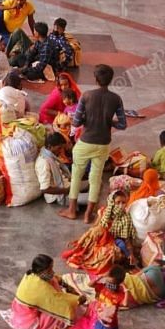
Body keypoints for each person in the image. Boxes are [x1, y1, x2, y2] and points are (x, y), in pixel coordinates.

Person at [59, 64, 127, 223]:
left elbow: (75, 122)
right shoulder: (116, 99)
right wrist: (108, 121)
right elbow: (123, 124)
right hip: (103, 144)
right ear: (110, 80)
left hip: (85, 142)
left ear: (95, 79)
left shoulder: (87, 96)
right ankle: (89, 214)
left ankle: (71, 210)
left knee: (76, 175)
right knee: (96, 178)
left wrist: (86, 119)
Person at [0, 254, 84, 329]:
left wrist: (61, 282)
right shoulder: (41, 287)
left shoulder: (31, 274)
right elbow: (58, 299)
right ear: (41, 271)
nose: (52, 272)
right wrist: (78, 299)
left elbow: (53, 280)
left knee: (55, 283)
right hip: (29, 318)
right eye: (49, 270)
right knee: (66, 312)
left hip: (21, 310)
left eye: (52, 268)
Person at [36, 133, 88, 206]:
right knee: (93, 198)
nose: (61, 151)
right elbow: (45, 189)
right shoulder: (43, 162)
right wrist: (67, 190)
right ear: (50, 146)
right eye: (59, 148)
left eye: (62, 148)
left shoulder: (51, 156)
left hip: (68, 186)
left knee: (97, 183)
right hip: (59, 196)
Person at [100, 191, 138, 266]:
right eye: (118, 202)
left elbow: (127, 239)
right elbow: (102, 227)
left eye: (123, 202)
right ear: (112, 202)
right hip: (104, 239)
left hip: (116, 240)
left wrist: (131, 253)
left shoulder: (126, 217)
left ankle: (128, 257)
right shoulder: (107, 214)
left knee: (121, 246)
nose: (121, 205)